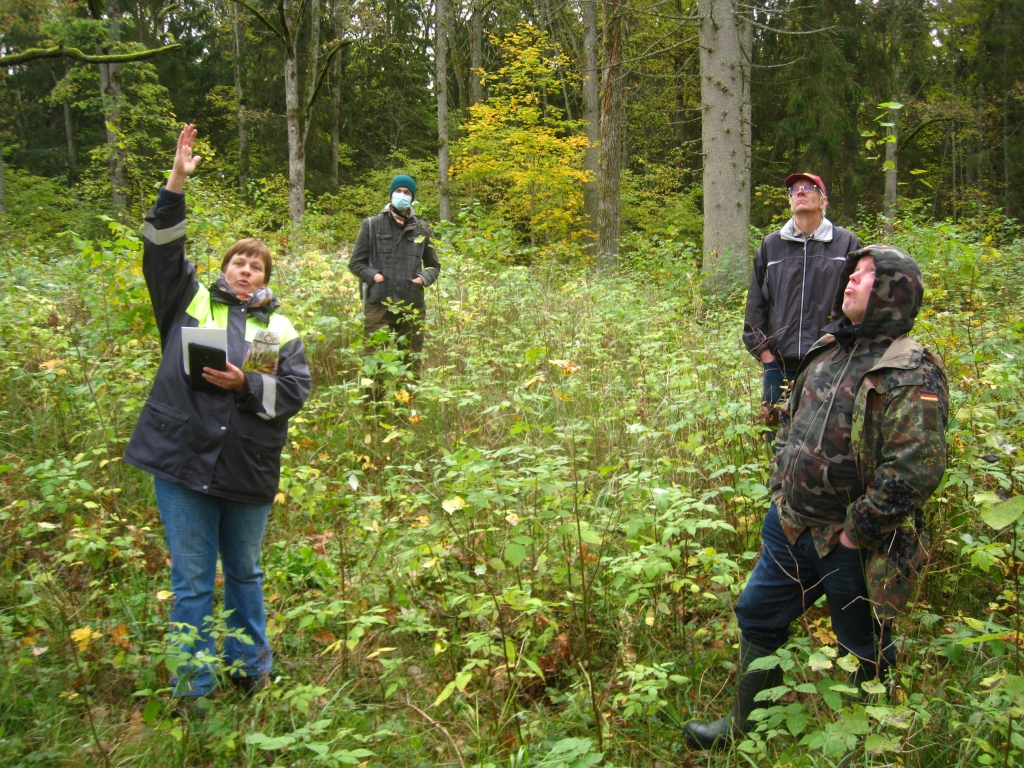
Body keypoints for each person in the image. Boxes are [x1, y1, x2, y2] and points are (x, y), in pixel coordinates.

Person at [684, 245, 949, 749]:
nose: (851, 280)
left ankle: (865, 746)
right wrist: (780, 486)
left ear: (895, 294)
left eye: (867, 276)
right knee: (758, 614)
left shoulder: (909, 369)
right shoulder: (828, 349)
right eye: (853, 272)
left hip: (852, 543)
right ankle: (745, 728)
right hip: (790, 524)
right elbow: (790, 422)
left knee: (861, 646)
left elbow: (916, 469)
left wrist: (856, 534)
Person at [123, 125, 311, 700]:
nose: (246, 268)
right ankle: (194, 685)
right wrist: (177, 180)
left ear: (266, 279)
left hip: (245, 467)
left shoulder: (275, 329)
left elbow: (293, 395)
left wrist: (246, 386)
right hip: (182, 461)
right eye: (238, 261)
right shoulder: (189, 301)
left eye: (257, 265)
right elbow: (161, 249)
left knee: (247, 575)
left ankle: (250, 671)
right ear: (224, 269)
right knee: (192, 582)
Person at [742, 173, 861, 431]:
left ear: (823, 200)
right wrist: (765, 354)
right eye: (794, 190)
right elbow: (755, 305)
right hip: (779, 366)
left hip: (829, 364)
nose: (800, 192)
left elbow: (857, 302)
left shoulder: (846, 243)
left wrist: (842, 348)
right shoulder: (771, 245)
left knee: (823, 441)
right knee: (776, 441)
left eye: (808, 188)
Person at [348, 175, 440, 389]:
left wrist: (422, 279)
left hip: (412, 306)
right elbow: (356, 263)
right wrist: (375, 276)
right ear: (391, 194)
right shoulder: (371, 225)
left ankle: (406, 415)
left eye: (407, 192)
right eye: (398, 191)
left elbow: (434, 266)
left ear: (413, 197)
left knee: (410, 367)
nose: (402, 195)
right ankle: (373, 415)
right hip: (378, 303)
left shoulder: (423, 229)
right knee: (373, 365)